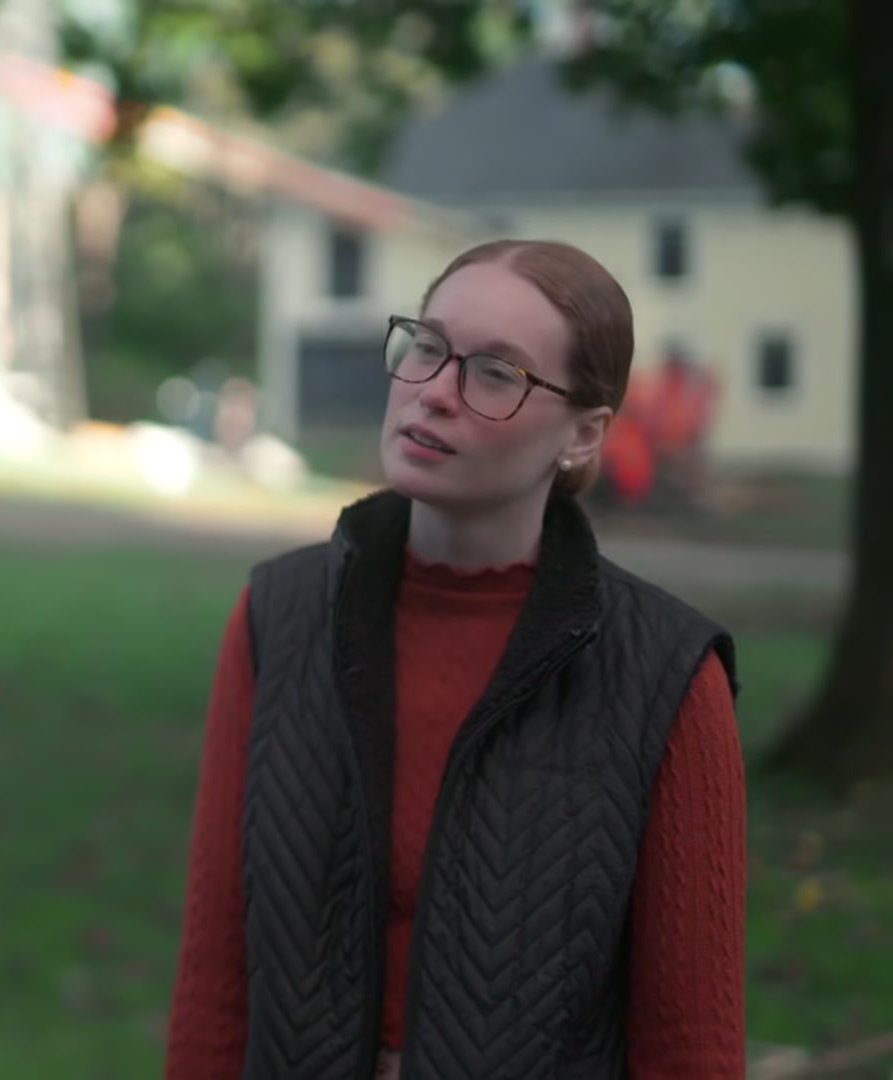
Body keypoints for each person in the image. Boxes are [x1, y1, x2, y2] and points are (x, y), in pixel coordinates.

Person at [164, 239, 746, 1078]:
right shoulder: (278, 619)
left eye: (497, 374)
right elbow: (216, 985)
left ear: (583, 434)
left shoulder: (667, 676)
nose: (435, 391)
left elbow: (690, 1047)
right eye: (428, 346)